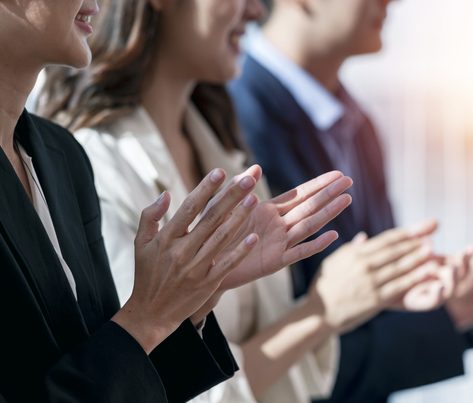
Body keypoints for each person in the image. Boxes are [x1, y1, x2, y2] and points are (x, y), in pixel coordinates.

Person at [39, 0, 463, 402]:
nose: (257, 9)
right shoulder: (94, 162)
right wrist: (321, 311)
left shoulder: (225, 150)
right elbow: (151, 384)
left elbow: (286, 364)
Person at [0, 0, 345, 400]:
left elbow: (108, 375)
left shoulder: (63, 159)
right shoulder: (90, 152)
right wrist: (148, 317)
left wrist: (190, 296)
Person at [229, 0, 473, 401]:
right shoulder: (236, 126)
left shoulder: (357, 126)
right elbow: (291, 361)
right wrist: (458, 309)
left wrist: (461, 285)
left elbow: (371, 304)